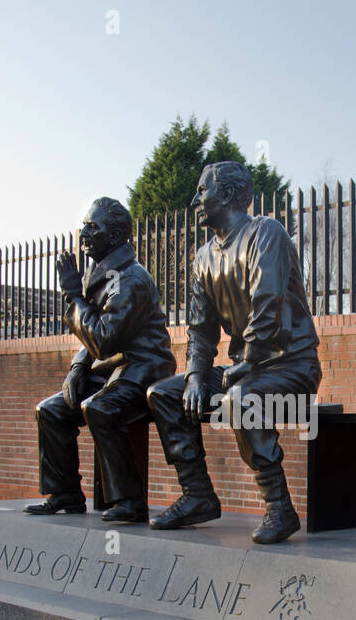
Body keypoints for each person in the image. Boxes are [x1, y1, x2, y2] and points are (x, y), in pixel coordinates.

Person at [146, 162, 321, 544]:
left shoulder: (266, 233)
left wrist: (244, 364)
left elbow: (268, 304)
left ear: (226, 195)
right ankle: (198, 495)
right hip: (245, 368)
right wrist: (194, 377)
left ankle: (279, 506)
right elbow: (200, 330)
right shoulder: (203, 257)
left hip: (291, 367)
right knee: (163, 393)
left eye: (202, 191)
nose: (195, 200)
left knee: (240, 398)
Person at [24, 197, 175, 522]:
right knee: (50, 410)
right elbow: (92, 334)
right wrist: (78, 367)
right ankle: (65, 492)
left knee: (100, 408)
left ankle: (130, 501)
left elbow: (103, 337)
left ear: (118, 234)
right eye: (85, 224)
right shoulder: (104, 271)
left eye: (94, 226)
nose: (84, 232)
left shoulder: (130, 280)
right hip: (110, 368)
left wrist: (73, 296)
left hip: (142, 368)